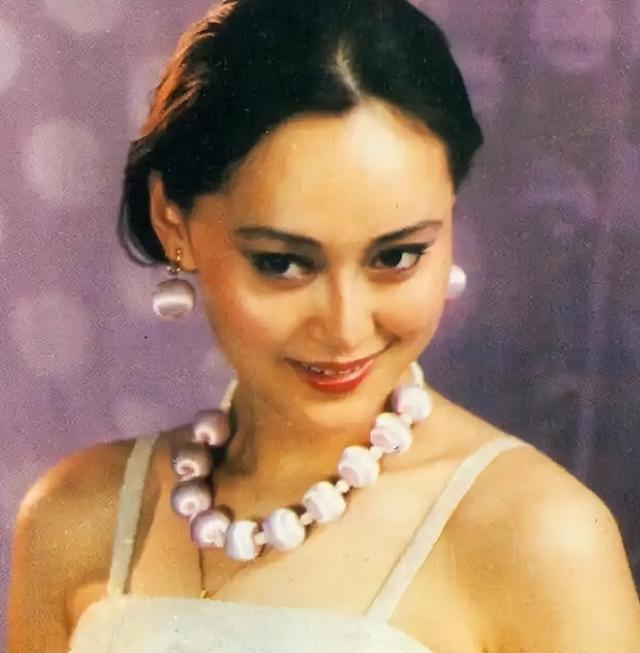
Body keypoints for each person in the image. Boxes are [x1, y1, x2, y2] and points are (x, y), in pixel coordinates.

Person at [7, 0, 640, 651]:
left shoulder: (541, 537)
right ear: (174, 225)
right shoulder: (77, 515)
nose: (343, 326)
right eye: (282, 263)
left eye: (396, 256)